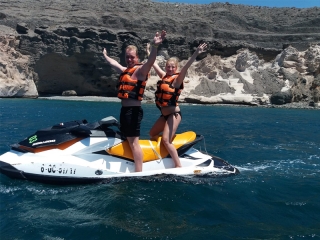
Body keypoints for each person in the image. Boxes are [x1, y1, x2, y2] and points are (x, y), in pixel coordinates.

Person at [102, 30, 166, 172]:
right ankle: (127, 162)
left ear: (137, 57)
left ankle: (138, 171)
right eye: (127, 57)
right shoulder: (126, 70)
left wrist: (155, 47)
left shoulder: (140, 71)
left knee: (134, 142)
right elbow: (114, 64)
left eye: (132, 57)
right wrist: (105, 55)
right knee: (126, 138)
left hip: (133, 112)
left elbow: (150, 61)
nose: (129, 60)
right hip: (125, 111)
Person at [147, 42, 207, 168]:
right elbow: (153, 63)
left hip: (174, 115)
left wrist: (196, 53)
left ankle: (178, 165)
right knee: (152, 133)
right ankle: (159, 154)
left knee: (165, 140)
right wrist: (149, 51)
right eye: (168, 66)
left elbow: (186, 66)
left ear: (176, 68)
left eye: (173, 67)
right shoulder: (164, 76)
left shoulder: (177, 80)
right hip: (164, 115)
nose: (170, 69)